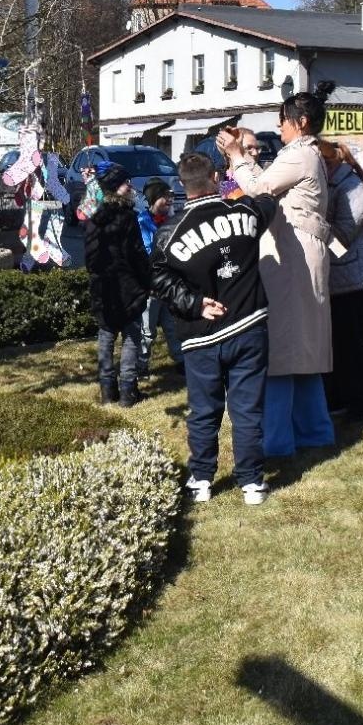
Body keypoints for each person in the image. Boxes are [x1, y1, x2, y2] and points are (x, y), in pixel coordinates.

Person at [152, 152, 277, 506]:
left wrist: (195, 304)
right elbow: (268, 200)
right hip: (249, 326)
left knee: (204, 410)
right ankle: (251, 482)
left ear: (181, 185)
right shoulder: (245, 211)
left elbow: (157, 278)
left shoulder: (169, 232)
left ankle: (202, 479)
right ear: (216, 178)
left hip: (201, 334)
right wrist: (238, 169)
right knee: (247, 410)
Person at [220, 93, 335, 459]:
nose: (278, 126)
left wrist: (237, 157)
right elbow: (261, 186)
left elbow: (258, 190)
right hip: (296, 251)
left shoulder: (299, 154)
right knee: (301, 347)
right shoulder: (305, 154)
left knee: (283, 347)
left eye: (283, 119)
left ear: (301, 122)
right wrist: (240, 160)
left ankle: (278, 440)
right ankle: (313, 431)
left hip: (292, 255)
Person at [318, 139, 363, 422]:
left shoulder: (352, 187)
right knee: (338, 343)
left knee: (349, 344)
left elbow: (342, 238)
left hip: (355, 279)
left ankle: (357, 404)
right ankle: (339, 399)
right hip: (342, 277)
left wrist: (314, 227)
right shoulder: (332, 184)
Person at [86, 161, 151, 406]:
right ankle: (127, 390)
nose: (130, 186)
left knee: (106, 334)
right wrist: (147, 281)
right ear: (115, 186)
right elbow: (137, 254)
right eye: (126, 182)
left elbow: (90, 256)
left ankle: (107, 389)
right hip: (126, 285)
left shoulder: (93, 217)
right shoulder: (127, 217)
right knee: (131, 336)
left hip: (103, 286)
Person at [137, 178, 184, 379]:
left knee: (172, 326)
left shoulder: (172, 220)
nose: (170, 200)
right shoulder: (142, 222)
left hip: (170, 283)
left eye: (171, 196)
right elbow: (149, 252)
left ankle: (180, 360)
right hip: (152, 286)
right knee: (147, 330)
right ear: (154, 199)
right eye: (165, 197)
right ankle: (140, 365)